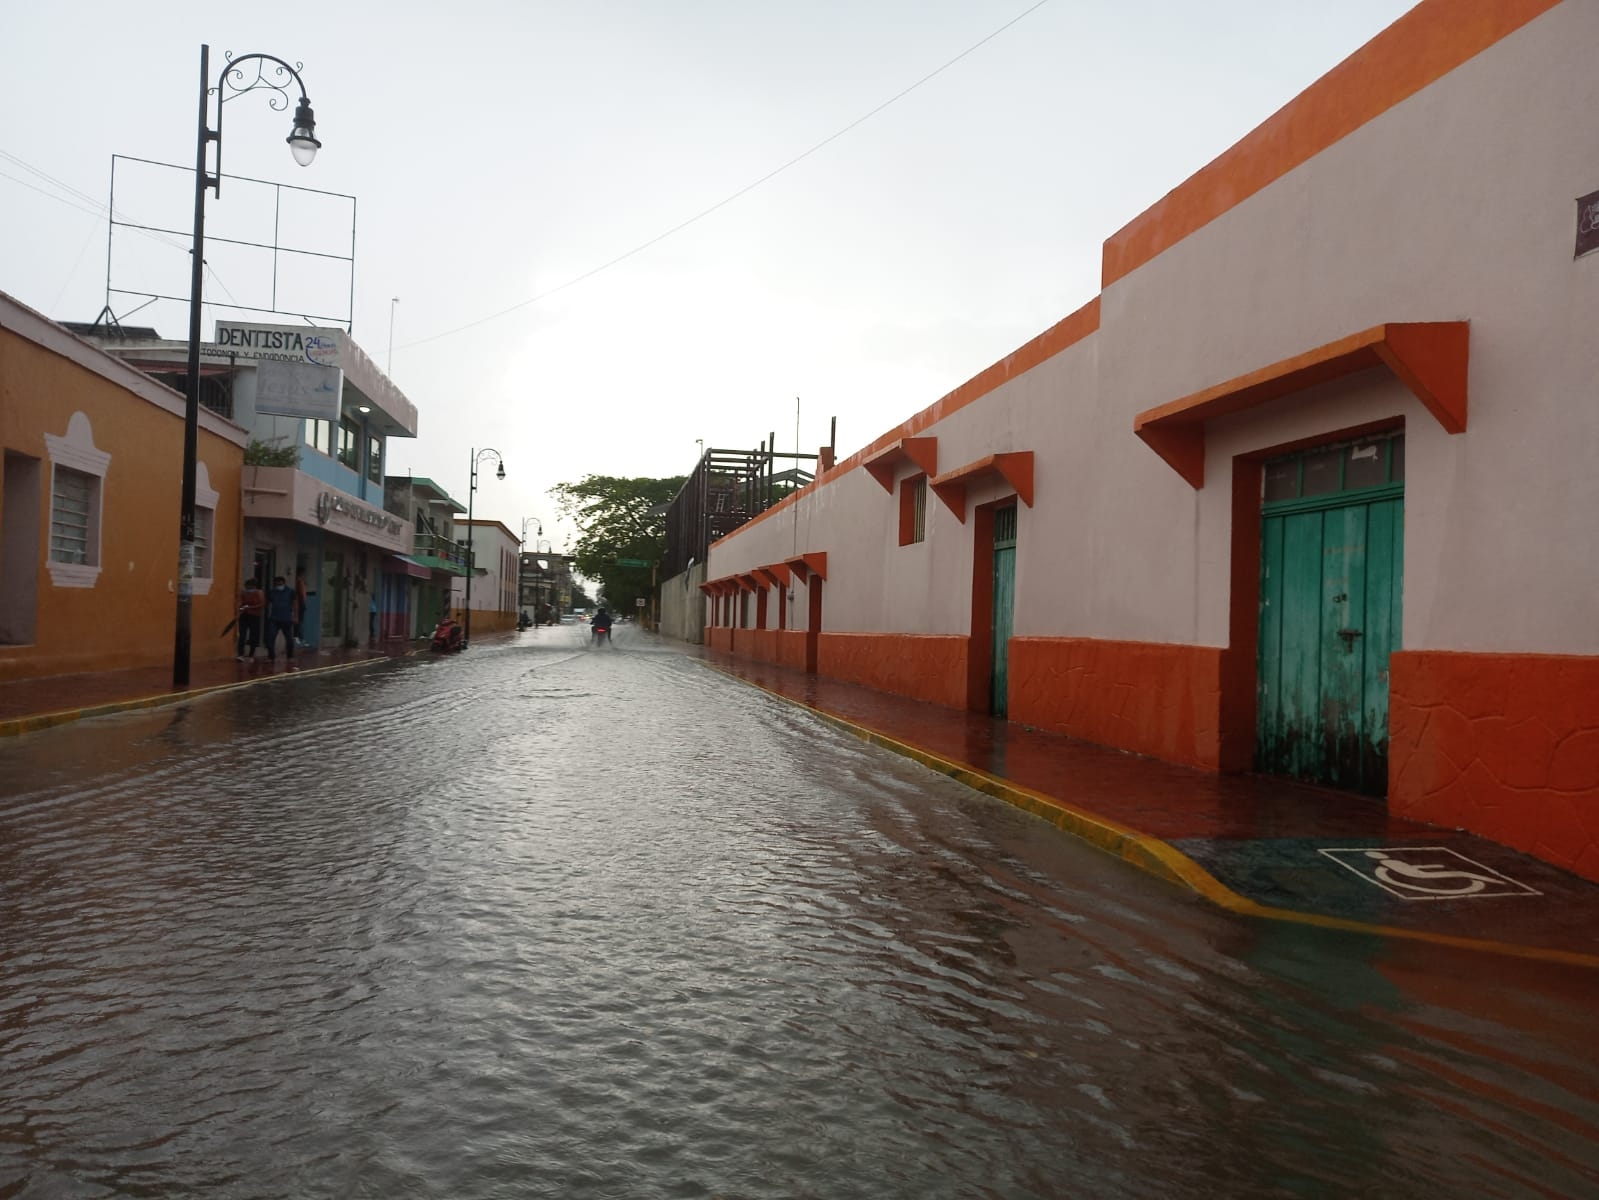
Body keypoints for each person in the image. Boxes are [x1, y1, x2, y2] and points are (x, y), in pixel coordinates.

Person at [264, 575, 296, 662]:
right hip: (274, 618)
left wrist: (295, 616)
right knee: (270, 637)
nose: (278, 585)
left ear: (283, 582)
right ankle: (271, 656)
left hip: (286, 618)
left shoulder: (290, 591)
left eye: (280, 583)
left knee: (289, 638)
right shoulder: (272, 592)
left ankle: (290, 656)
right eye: (276, 583)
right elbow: (268, 602)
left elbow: (295, 603)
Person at [236, 578, 265, 661]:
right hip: (244, 615)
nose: (248, 588)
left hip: (255, 616)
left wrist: (250, 607)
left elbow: (262, 604)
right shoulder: (243, 593)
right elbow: (240, 601)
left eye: (249, 586)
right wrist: (241, 607)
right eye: (247, 586)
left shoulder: (259, 593)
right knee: (242, 635)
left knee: (253, 635)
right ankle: (240, 654)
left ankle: (251, 655)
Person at [293, 569, 309, 646]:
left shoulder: (298, 581)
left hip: (298, 603)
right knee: (299, 621)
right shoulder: (300, 581)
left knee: (298, 621)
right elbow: (302, 594)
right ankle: (299, 637)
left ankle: (297, 637)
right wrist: (303, 603)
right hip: (299, 603)